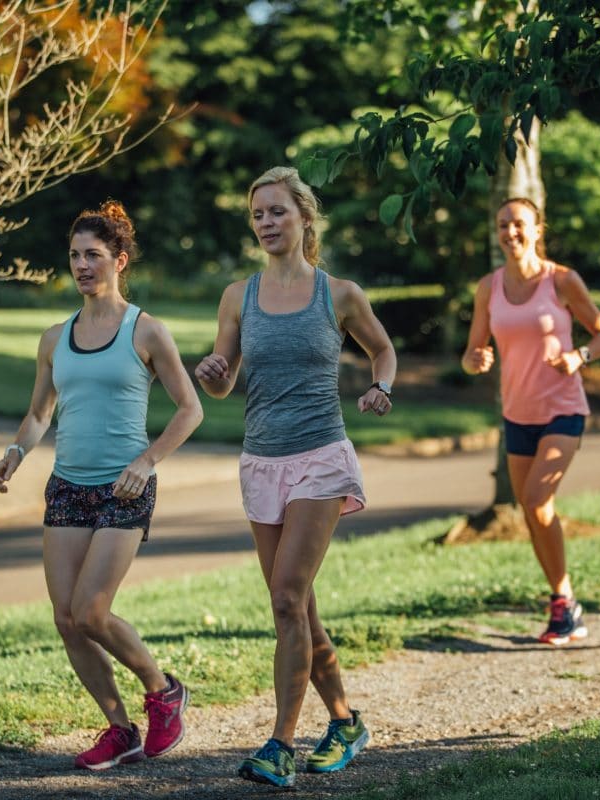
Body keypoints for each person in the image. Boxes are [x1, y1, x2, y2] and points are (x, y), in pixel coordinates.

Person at [194, 166, 397, 788]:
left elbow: (382, 349)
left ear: (305, 218)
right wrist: (214, 373)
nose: (266, 224)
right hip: (262, 462)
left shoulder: (339, 294)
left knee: (285, 596)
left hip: (320, 458)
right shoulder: (239, 295)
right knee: (299, 609)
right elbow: (228, 380)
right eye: (257, 215)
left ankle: (280, 743)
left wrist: (380, 385)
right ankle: (344, 721)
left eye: (277, 212)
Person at [0, 200, 204, 770]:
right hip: (67, 488)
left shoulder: (147, 330)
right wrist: (15, 452)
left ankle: (163, 690)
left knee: (91, 611)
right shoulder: (54, 337)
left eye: (94, 255)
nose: (82, 265)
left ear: (120, 260)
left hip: (123, 489)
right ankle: (119, 730)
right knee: (66, 619)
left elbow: (190, 410)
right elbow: (40, 414)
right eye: (75, 256)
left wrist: (148, 460)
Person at [461, 197, 600, 646]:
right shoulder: (488, 288)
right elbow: (472, 355)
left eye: (520, 225)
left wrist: (579, 355)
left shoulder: (562, 280)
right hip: (518, 415)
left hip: (564, 409)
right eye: (503, 226)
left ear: (538, 229)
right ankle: (563, 601)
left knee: (534, 498)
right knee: (532, 510)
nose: (511, 233)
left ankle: (564, 604)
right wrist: (476, 359)